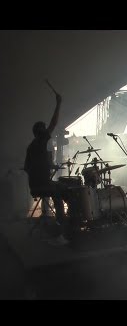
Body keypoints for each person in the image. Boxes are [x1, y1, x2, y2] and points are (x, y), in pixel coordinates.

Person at [24, 93, 70, 245]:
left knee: (61, 188)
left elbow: (27, 167)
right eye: (44, 130)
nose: (47, 132)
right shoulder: (39, 141)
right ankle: (60, 232)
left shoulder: (32, 146)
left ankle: (61, 224)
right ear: (40, 132)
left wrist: (48, 166)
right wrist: (58, 103)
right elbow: (54, 123)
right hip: (41, 185)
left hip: (35, 185)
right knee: (63, 190)